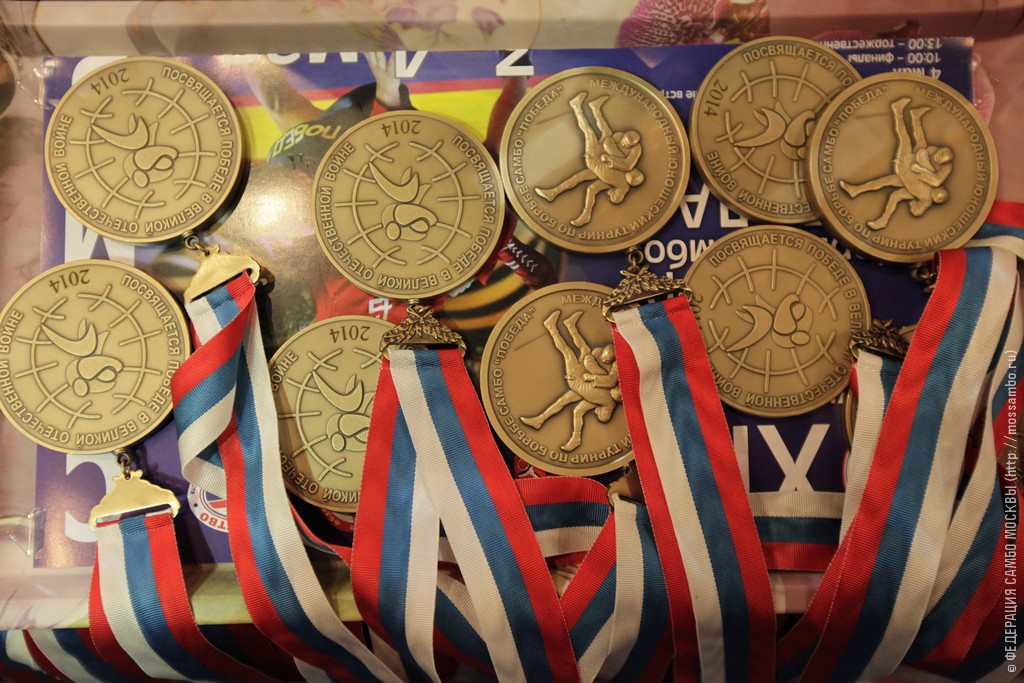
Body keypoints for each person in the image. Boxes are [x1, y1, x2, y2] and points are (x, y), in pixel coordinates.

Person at [839, 96, 953, 230]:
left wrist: (920, 167)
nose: (938, 158)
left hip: (905, 167)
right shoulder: (924, 195)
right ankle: (858, 193)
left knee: (904, 138)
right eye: (940, 154)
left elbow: (918, 207)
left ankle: (897, 110)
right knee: (891, 189)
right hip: (907, 176)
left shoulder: (925, 196)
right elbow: (915, 204)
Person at [534, 93, 645, 227]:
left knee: (589, 133)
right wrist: (610, 155)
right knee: (580, 176)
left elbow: (617, 198)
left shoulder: (624, 184)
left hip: (594, 161)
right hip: (599, 166)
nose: (634, 173)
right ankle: (553, 193)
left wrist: (612, 189)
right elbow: (616, 153)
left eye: (634, 178)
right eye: (636, 172)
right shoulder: (624, 172)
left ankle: (576, 107)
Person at [521, 310, 621, 451]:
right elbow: (601, 371)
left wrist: (592, 373)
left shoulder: (607, 396)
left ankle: (551, 327)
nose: (604, 360)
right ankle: (540, 420)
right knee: (584, 351)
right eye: (605, 357)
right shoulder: (606, 398)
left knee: (568, 353)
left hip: (577, 381)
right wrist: (593, 369)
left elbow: (607, 379)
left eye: (607, 360)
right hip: (585, 385)